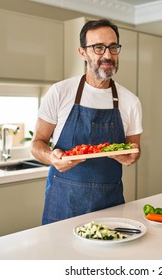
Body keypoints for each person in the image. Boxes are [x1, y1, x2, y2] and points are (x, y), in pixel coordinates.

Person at [31, 19, 142, 224]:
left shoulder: (130, 102)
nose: (108, 55)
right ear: (82, 52)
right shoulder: (60, 92)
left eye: (113, 47)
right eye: (98, 48)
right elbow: (37, 143)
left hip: (110, 204)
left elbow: (135, 149)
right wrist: (52, 157)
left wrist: (131, 156)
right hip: (64, 203)